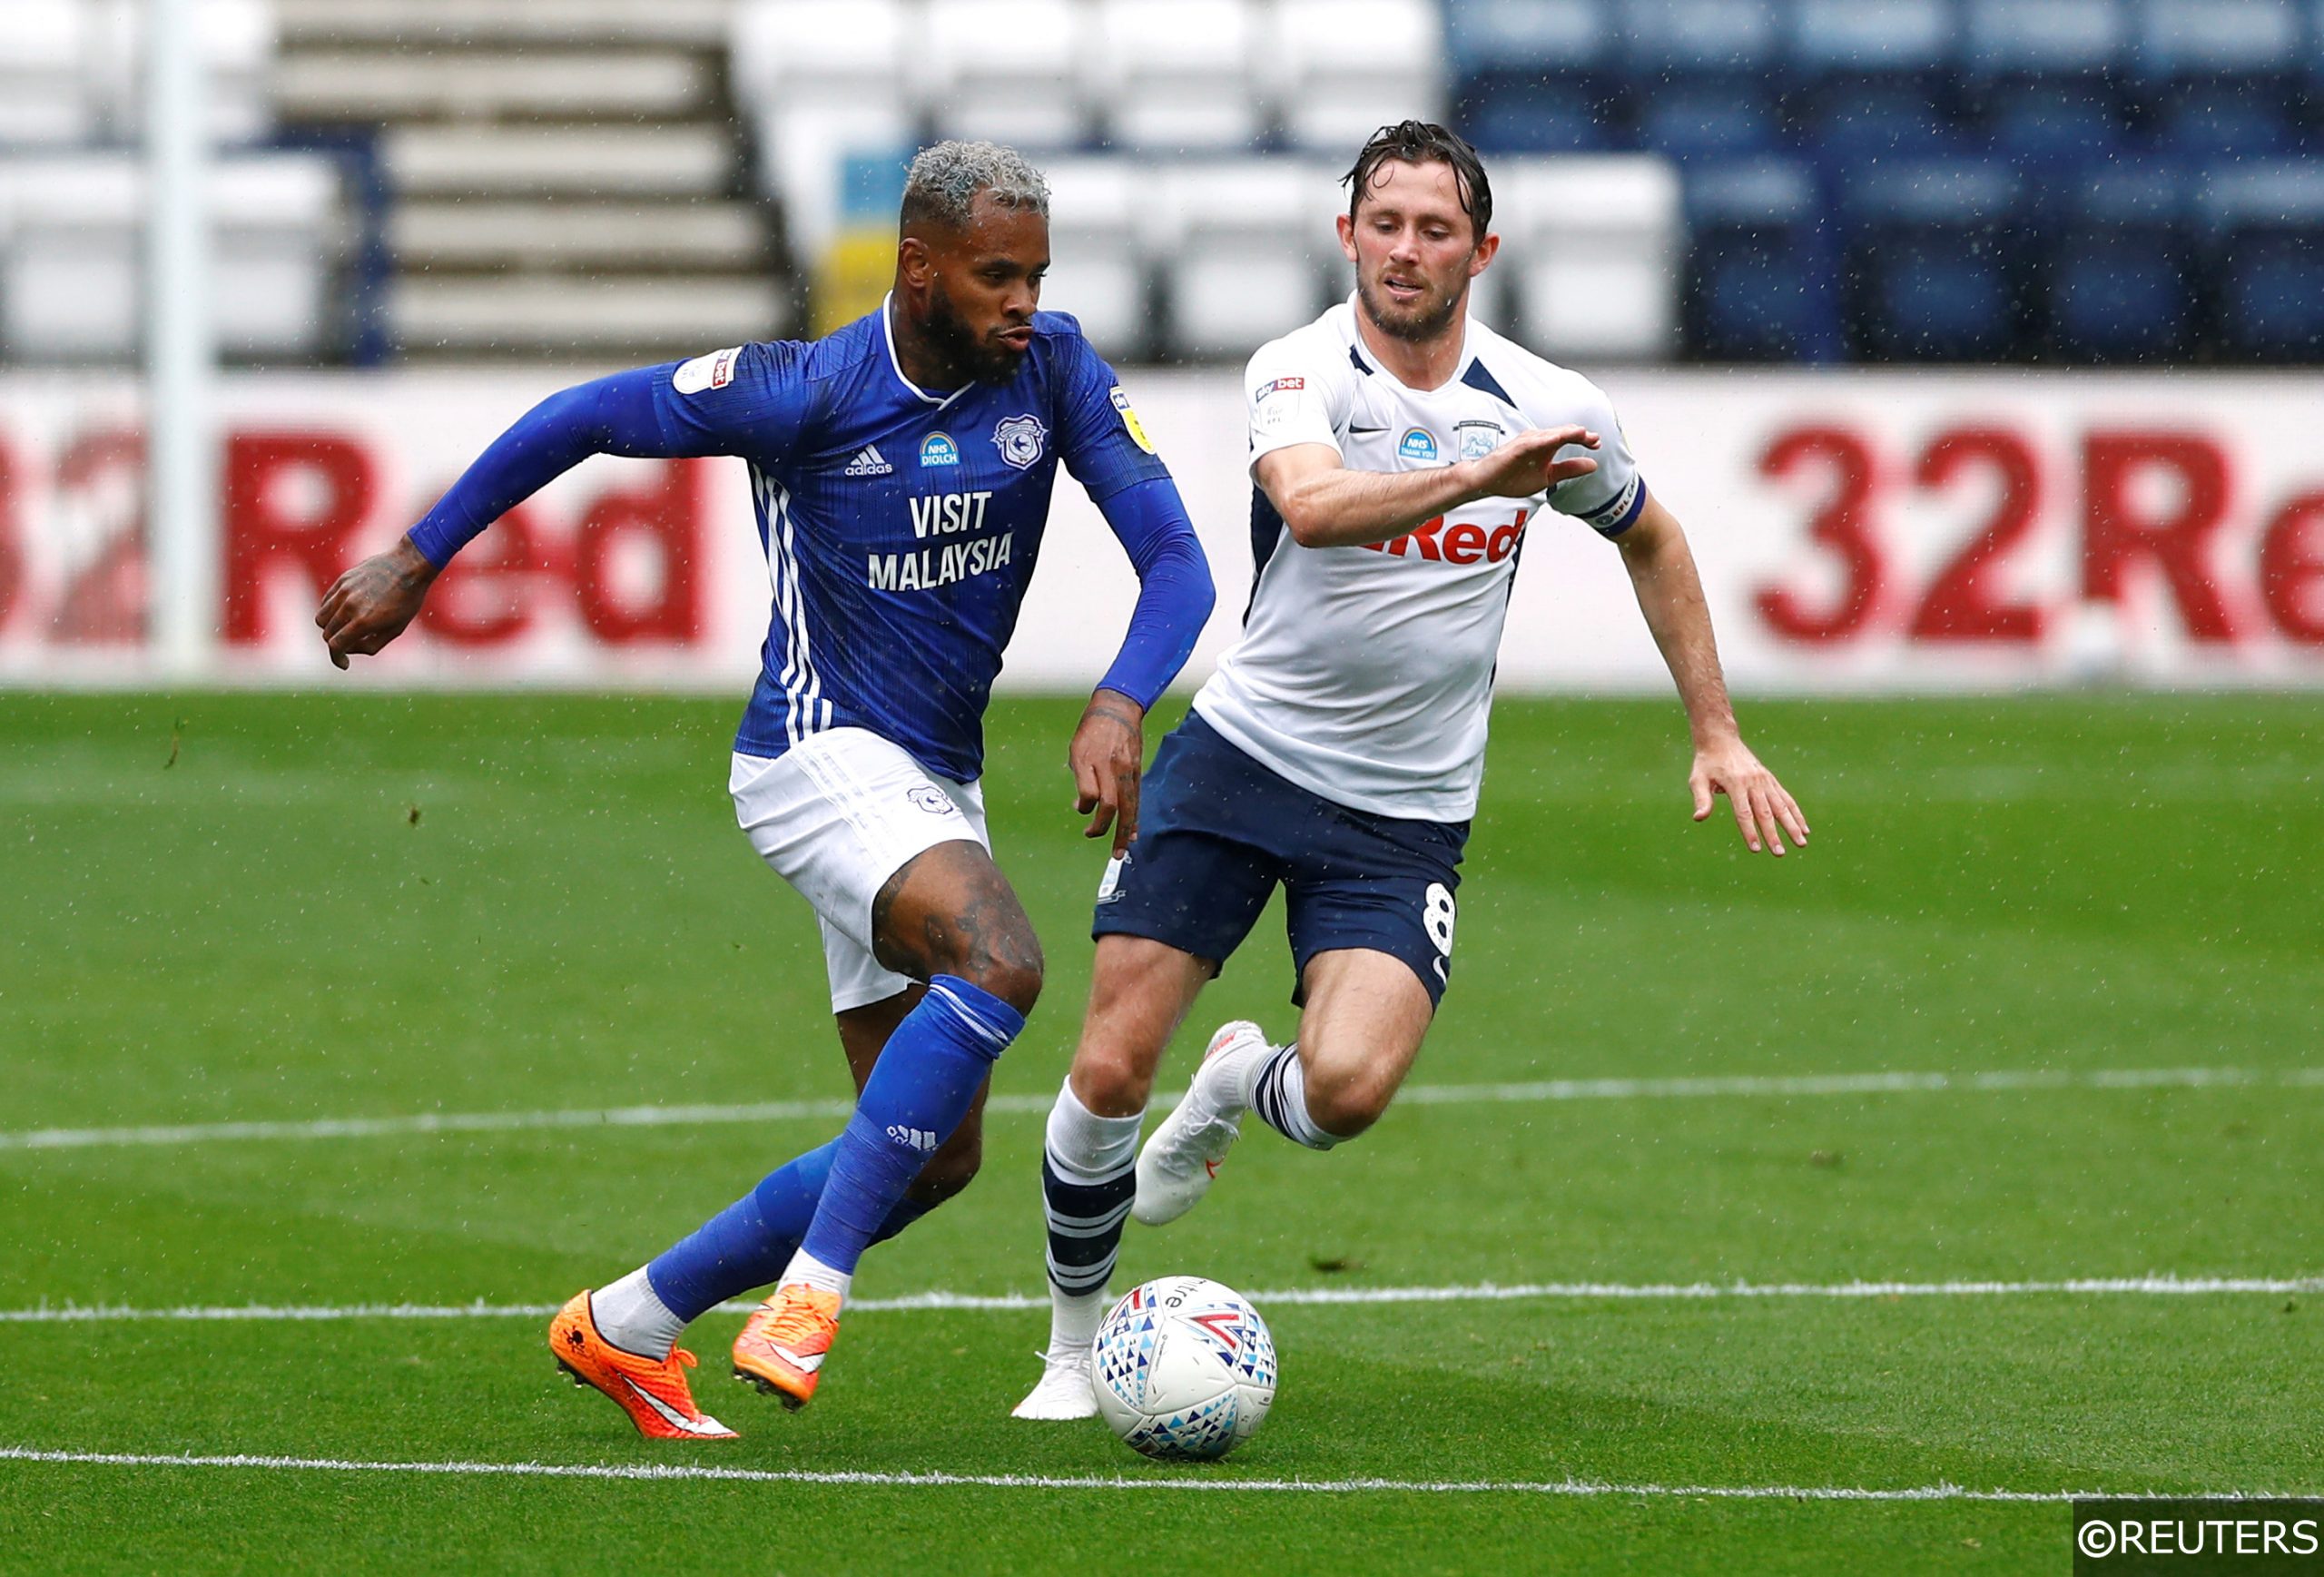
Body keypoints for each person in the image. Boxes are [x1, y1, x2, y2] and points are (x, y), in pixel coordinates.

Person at [316, 141, 1214, 1437]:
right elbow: (586, 418)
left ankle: (625, 1322)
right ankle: (810, 1289)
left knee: (928, 1157)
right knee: (1003, 960)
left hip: (929, 785)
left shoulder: (1056, 368)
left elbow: (1176, 562)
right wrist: (418, 556)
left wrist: (1122, 697)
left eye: (1036, 275)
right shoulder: (804, 390)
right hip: (813, 755)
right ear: (918, 268)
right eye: (995, 275)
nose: (1023, 301)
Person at [1013, 121, 1808, 1420]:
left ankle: (1234, 1084)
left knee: (1345, 1092)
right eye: (1384, 223)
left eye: (1435, 228)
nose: (1405, 249)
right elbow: (1315, 508)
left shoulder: (1555, 405)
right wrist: (1474, 473)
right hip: (1242, 757)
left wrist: (1715, 728)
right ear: (1348, 236)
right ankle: (1068, 1345)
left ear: (1480, 250)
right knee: (1106, 1069)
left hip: (1406, 809)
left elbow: (1653, 537)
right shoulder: (1298, 370)